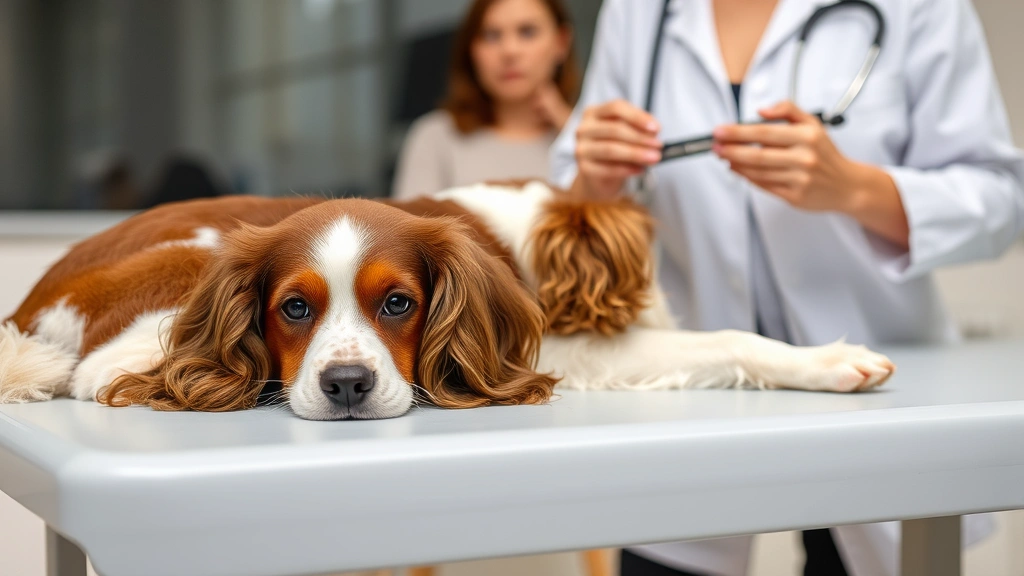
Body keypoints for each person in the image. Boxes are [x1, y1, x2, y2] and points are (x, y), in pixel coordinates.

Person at [549, 1, 1024, 575]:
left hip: (874, 380)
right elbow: (569, 197)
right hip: (687, 384)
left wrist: (853, 187)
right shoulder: (640, 10)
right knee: (671, 555)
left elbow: (1000, 198)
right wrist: (593, 176)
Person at [392, 0, 580, 199]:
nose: (509, 51)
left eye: (527, 32)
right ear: (471, 49)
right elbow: (407, 228)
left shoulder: (582, 139)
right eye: (491, 35)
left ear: (561, 42)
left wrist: (573, 132)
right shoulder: (434, 137)